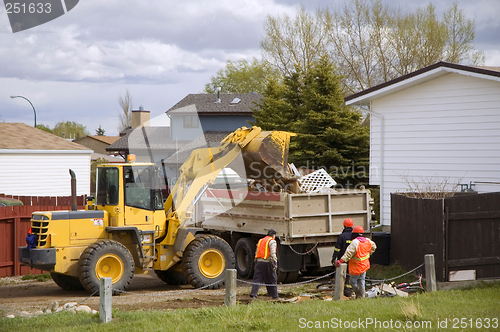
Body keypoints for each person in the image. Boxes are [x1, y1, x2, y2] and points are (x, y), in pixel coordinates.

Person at [335, 225, 376, 299]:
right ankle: (362, 296)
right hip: (364, 265)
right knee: (362, 282)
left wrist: (340, 261)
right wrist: (369, 253)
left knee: (352, 282)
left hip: (356, 266)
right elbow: (374, 247)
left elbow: (348, 253)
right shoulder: (368, 241)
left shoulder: (355, 242)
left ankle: (359, 294)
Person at [250, 229, 279, 300]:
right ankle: (275, 296)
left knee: (257, 279)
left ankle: (253, 295)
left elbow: (256, 251)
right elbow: (272, 253)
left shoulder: (261, 240)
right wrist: (275, 262)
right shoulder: (272, 241)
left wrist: (256, 261)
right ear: (273, 235)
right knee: (272, 279)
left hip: (259, 262)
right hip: (268, 262)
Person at [331, 218, 353, 297]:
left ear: (344, 225)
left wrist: (334, 258)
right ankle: (349, 292)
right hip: (352, 259)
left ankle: (340, 291)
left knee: (341, 275)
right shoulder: (354, 235)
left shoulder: (341, 236)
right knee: (350, 275)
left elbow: (337, 248)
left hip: (342, 259)